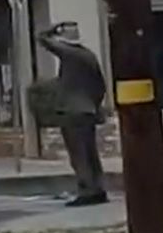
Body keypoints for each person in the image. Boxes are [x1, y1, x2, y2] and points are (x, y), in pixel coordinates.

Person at [37, 22, 109, 207]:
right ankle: (98, 188)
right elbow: (100, 86)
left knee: (78, 154)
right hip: (87, 110)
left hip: (71, 111)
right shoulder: (89, 56)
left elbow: (42, 39)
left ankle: (86, 191)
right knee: (91, 152)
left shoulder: (70, 54)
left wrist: (52, 29)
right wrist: (93, 104)